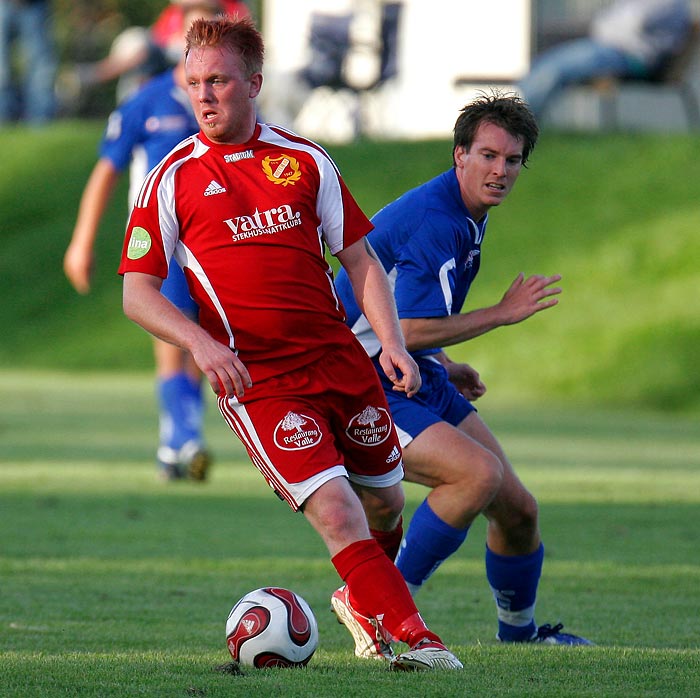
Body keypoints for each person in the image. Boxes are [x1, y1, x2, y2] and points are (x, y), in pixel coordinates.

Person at [117, 14, 462, 671]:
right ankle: (420, 640)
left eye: (217, 80)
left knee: (387, 500)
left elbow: (359, 259)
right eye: (193, 83)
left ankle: (364, 598)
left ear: (254, 83)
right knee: (336, 511)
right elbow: (137, 293)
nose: (204, 95)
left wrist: (389, 342)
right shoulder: (171, 178)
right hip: (260, 381)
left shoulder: (304, 161)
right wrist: (202, 345)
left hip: (339, 361)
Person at [334, 91, 594, 652]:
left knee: (519, 509)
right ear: (459, 155)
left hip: (410, 372)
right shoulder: (439, 220)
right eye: (487, 155)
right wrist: (500, 314)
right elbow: (404, 325)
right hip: (360, 382)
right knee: (475, 475)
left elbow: (403, 318)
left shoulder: (465, 213)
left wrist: (446, 366)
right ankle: (374, 602)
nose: (499, 170)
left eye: (512, 160)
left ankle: (519, 637)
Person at [64, 1, 224, 482]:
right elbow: (106, 169)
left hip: (213, 238)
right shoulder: (147, 100)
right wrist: (82, 241)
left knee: (202, 342)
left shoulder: (226, 105)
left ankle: (174, 443)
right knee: (172, 337)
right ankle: (184, 439)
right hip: (161, 237)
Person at [518, 0, 692, 119]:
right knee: (548, 63)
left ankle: (517, 125)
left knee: (555, 69)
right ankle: (515, 120)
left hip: (631, 56)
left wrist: (607, 27)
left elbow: (628, 23)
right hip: (612, 48)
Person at [0, 0, 57, 125]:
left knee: (41, 66)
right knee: (1, 66)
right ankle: (3, 118)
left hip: (35, 4)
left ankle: (41, 121)